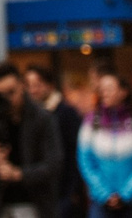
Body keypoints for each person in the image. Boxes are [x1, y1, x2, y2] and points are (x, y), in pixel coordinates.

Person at [0, 62, 66, 217]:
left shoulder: (42, 118)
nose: (7, 99)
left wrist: (19, 174)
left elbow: (54, 164)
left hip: (34, 203)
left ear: (22, 86)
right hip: (0, 204)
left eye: (11, 92)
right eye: (1, 94)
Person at [78, 69, 132, 217]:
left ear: (123, 92)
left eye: (110, 89)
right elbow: (85, 161)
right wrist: (104, 194)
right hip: (101, 203)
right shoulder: (91, 122)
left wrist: (125, 194)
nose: (104, 93)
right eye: (102, 90)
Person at [26, 65, 87, 218]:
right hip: (42, 191)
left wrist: (74, 190)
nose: (33, 90)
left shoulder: (66, 113)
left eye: (37, 85)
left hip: (64, 190)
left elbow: (75, 152)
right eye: (30, 86)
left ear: (49, 84)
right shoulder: (30, 116)